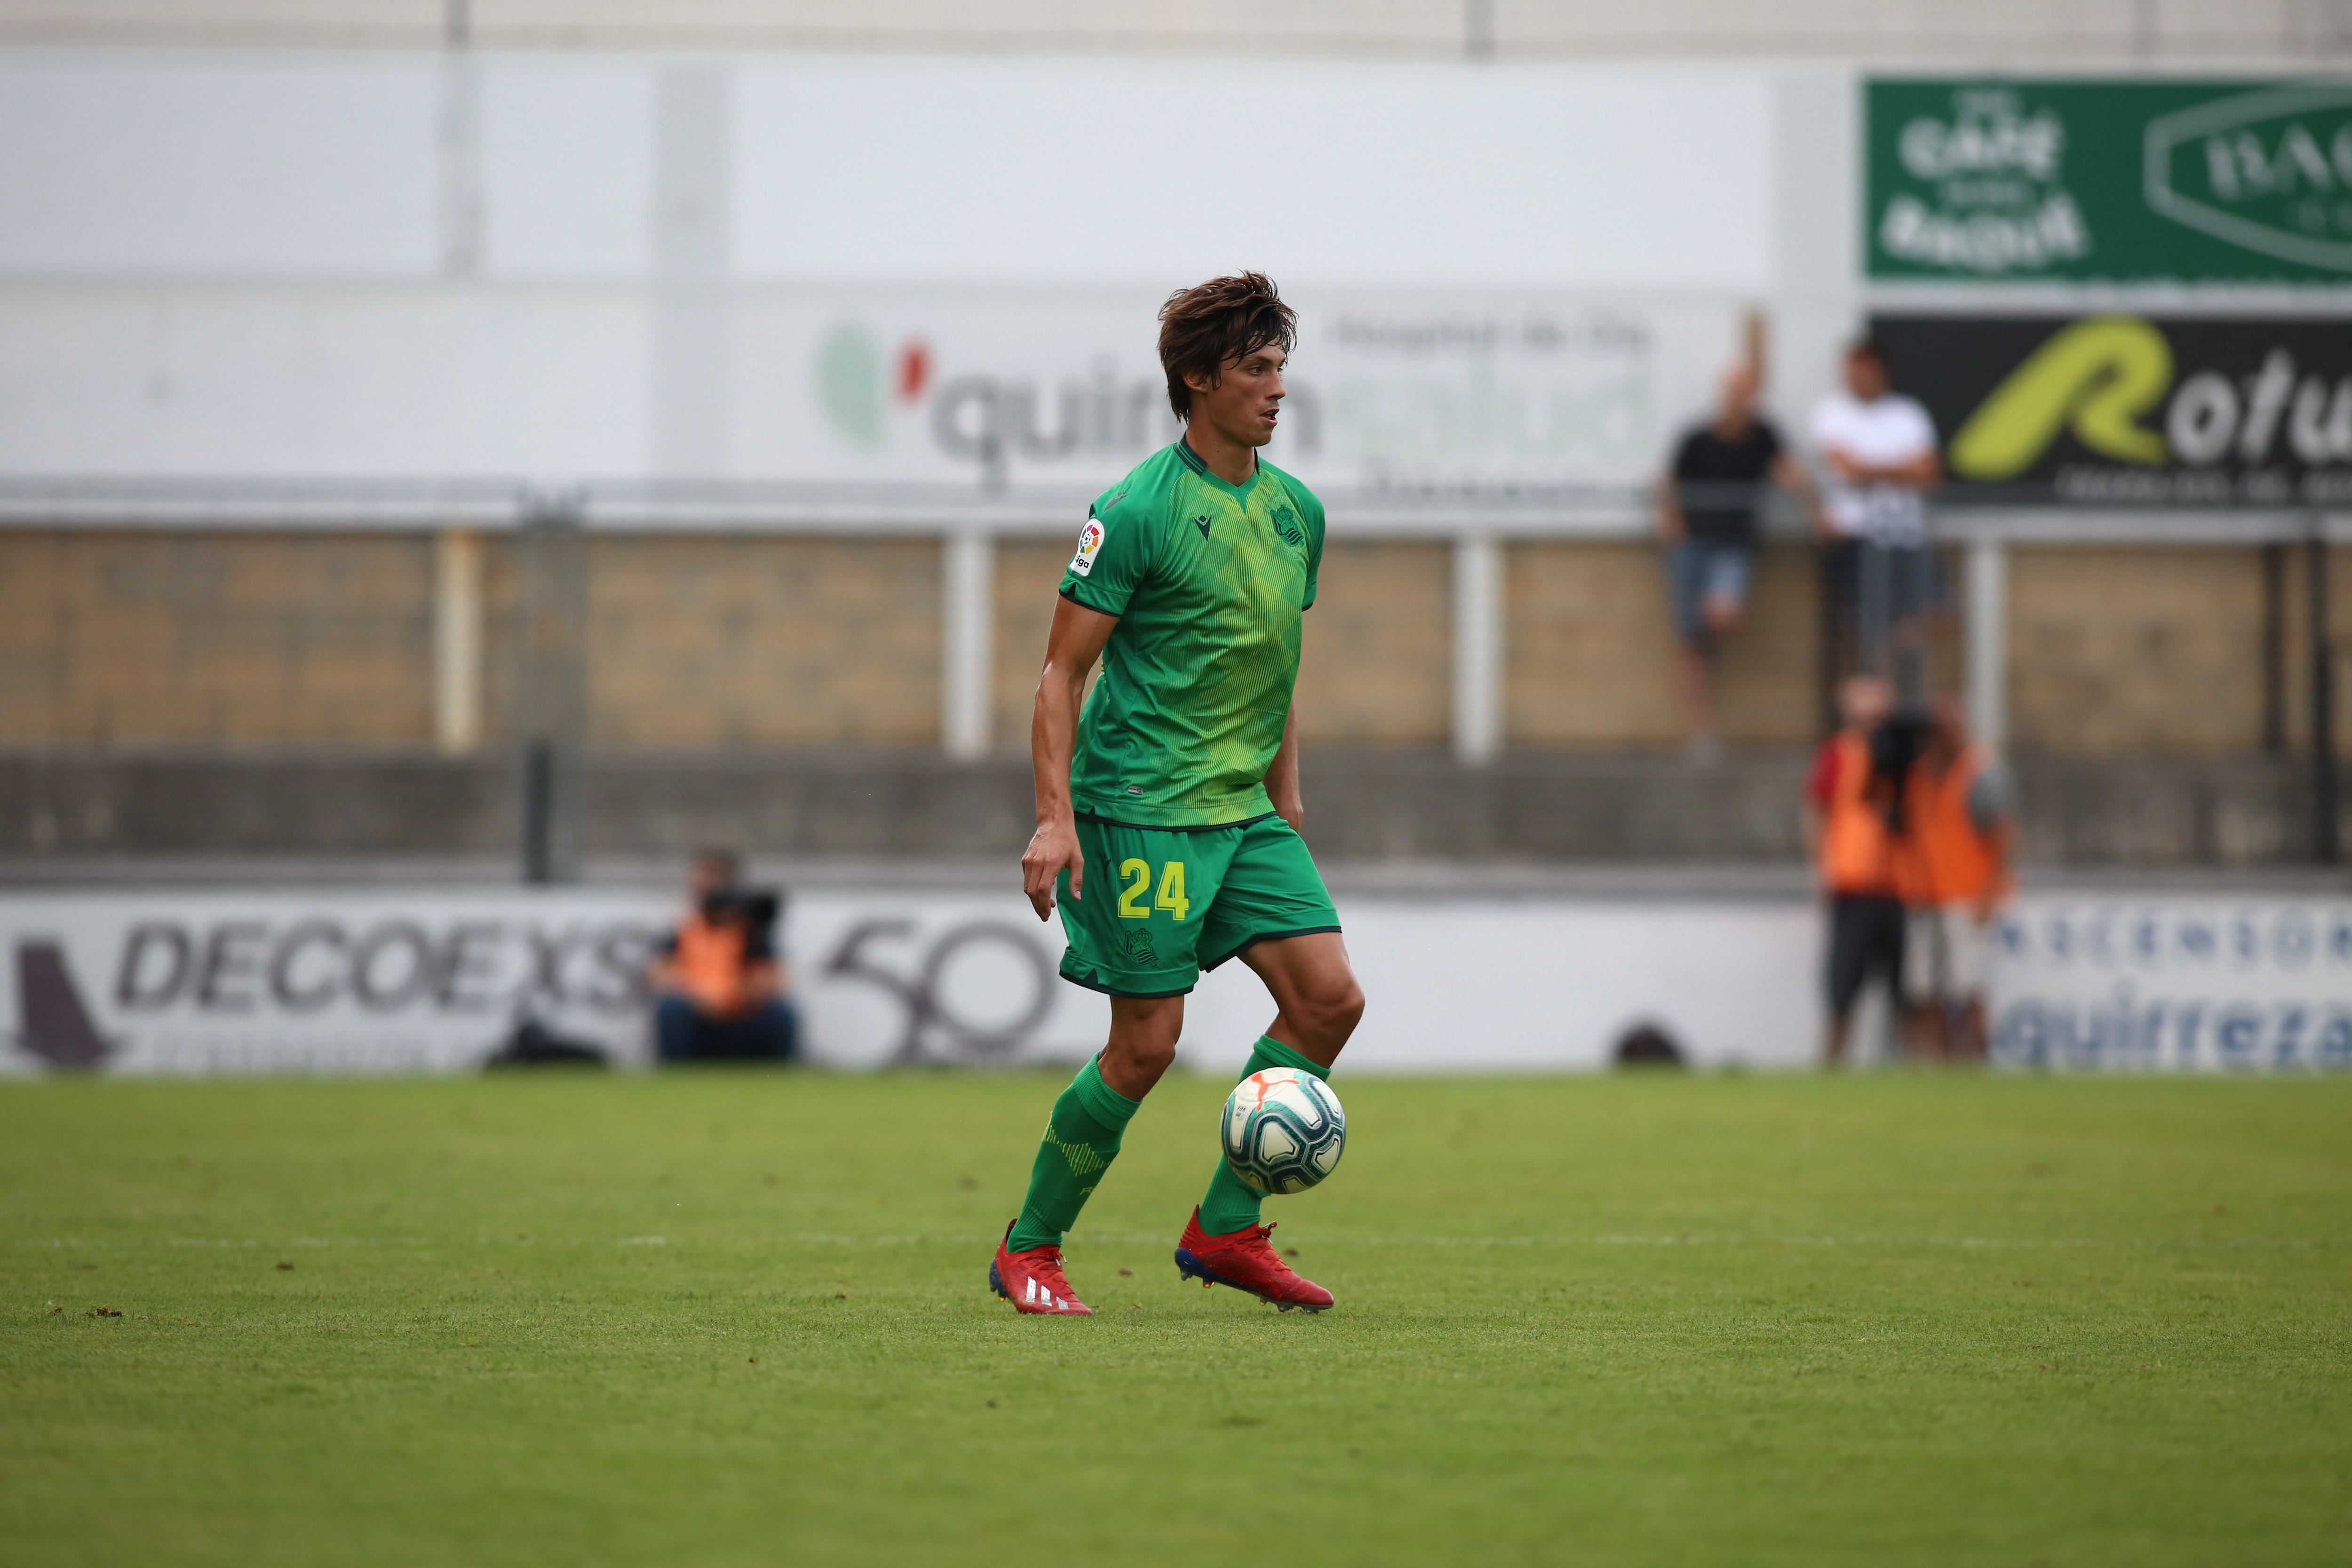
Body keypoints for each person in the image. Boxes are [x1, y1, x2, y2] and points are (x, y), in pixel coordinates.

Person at [991, 272, 1364, 1317]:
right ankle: (1030, 1246)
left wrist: (1285, 797)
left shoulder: (1297, 513)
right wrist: (1055, 817)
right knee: (1147, 1045)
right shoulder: (1135, 510)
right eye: (1254, 367)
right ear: (1197, 380)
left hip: (1240, 810)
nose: (1276, 387)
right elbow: (1059, 676)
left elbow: (1274, 660)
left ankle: (1225, 1227)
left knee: (1329, 998)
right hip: (1139, 808)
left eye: (1281, 365)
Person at [1656, 361, 1817, 760]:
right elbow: (1667, 484)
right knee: (1689, 645)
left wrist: (1816, 511)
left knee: (1723, 615)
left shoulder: (1764, 436)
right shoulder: (1696, 437)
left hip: (1734, 546)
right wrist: (1673, 524)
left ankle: (1711, 634)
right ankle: (1702, 730)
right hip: (1692, 546)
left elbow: (1790, 474)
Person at [1810, 339, 1941, 688]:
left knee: (1923, 614)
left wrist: (1872, 471)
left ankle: (1894, 694)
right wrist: (1900, 470)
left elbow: (1928, 473)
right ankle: (1876, 701)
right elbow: (1846, 469)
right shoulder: (1832, 412)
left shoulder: (1908, 413)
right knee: (1866, 624)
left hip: (1904, 534)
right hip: (1856, 536)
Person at [1894, 700, 2014, 1063]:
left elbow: (2003, 837)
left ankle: (1977, 1060)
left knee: (1969, 987)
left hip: (1966, 896)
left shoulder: (1980, 771)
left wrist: (1989, 896)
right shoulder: (1919, 771)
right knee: (1926, 989)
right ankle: (1943, 1064)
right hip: (1926, 895)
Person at [1802, 675, 1906, 1067]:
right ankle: (1833, 1066)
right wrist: (1821, 868)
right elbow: (1816, 810)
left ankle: (1914, 1073)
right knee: (1841, 992)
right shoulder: (1839, 753)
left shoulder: (1906, 755)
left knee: (1908, 994)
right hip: (1853, 885)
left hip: (1900, 887)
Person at [647, 850, 799, 1064]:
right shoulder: (685, 930)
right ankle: (675, 1075)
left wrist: (737, 996)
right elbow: (658, 974)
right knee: (670, 1008)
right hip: (697, 1014)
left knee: (781, 1013)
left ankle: (778, 1076)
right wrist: (701, 997)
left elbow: (774, 978)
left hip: (741, 1015)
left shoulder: (751, 930)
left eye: (714, 879)